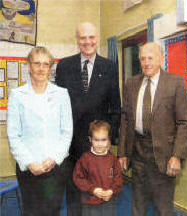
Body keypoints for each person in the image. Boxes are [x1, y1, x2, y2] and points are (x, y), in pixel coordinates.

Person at [118, 42, 187, 216]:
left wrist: (177, 156)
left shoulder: (175, 82)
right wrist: (122, 153)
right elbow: (126, 120)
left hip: (164, 156)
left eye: (150, 58)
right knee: (138, 207)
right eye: (142, 59)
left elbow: (184, 123)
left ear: (161, 59)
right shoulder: (131, 83)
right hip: (137, 153)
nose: (146, 62)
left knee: (163, 208)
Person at [55, 22, 121, 216]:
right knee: (74, 198)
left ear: (97, 38)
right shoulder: (64, 66)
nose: (87, 42)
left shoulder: (109, 67)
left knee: (98, 200)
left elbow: (115, 107)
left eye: (91, 37)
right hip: (71, 147)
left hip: (99, 149)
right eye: (83, 37)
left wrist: (109, 141)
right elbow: (58, 106)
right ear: (77, 40)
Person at [7, 46, 73, 216]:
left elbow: (66, 132)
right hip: (29, 168)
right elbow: (14, 135)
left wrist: (54, 158)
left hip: (54, 167)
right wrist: (29, 162)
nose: (41, 68)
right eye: (37, 63)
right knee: (31, 211)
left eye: (46, 64)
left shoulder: (61, 94)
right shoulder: (17, 95)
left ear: (50, 68)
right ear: (29, 66)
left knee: (52, 210)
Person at [73, 120, 123, 216]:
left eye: (103, 140)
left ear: (109, 140)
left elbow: (118, 179)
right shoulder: (85, 159)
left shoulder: (113, 159)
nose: (100, 144)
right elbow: (78, 178)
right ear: (90, 139)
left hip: (109, 203)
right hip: (90, 203)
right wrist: (93, 190)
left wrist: (111, 191)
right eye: (96, 140)